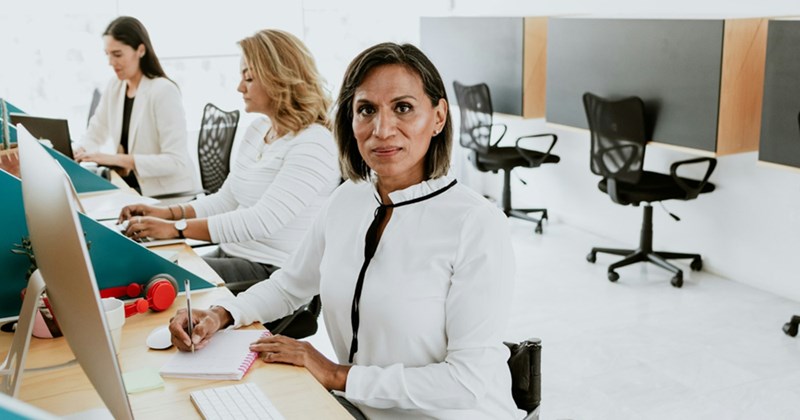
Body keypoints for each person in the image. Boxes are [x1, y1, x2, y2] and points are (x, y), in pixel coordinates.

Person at [168, 42, 521, 419]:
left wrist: (337, 374)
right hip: (357, 409)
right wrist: (221, 314)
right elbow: (289, 285)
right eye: (366, 110)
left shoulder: (476, 224)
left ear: (438, 117)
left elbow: (466, 383)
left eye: (403, 108)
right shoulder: (347, 200)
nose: (382, 129)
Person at [117, 29, 340, 287]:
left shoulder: (314, 143)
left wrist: (176, 227)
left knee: (152, 277)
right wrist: (165, 213)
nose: (239, 87)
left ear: (279, 79)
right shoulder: (258, 130)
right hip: (233, 254)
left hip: (273, 272)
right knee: (147, 264)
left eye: (248, 77)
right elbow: (227, 199)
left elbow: (262, 221)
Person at [74, 16, 195, 197]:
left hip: (168, 193)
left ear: (140, 50)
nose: (111, 62)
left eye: (117, 54)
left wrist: (118, 160)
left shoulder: (163, 91)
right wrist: (80, 151)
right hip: (132, 185)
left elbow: (175, 161)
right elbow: (95, 132)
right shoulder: (115, 86)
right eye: (107, 54)